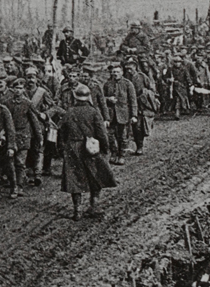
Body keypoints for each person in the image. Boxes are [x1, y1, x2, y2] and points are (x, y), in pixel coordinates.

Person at [58, 85, 116, 221]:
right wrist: (106, 148)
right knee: (96, 176)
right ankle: (93, 206)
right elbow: (101, 132)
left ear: (75, 97)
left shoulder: (69, 112)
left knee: (74, 179)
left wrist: (64, 146)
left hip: (72, 148)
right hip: (91, 148)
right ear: (88, 97)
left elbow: (62, 132)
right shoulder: (94, 112)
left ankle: (77, 210)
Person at [103, 63, 137, 165]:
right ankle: (114, 153)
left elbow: (133, 100)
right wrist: (108, 99)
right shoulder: (107, 84)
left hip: (123, 114)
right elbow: (101, 98)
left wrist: (134, 115)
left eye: (117, 72)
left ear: (122, 73)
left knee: (122, 136)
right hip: (111, 114)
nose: (115, 74)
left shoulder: (128, 84)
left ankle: (122, 155)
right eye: (113, 72)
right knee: (110, 135)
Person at [123, 58, 156, 156]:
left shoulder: (142, 77)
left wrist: (145, 94)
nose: (129, 70)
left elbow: (151, 89)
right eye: (127, 68)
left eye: (131, 67)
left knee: (138, 127)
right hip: (128, 104)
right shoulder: (125, 78)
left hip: (141, 105)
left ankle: (139, 146)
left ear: (135, 66)